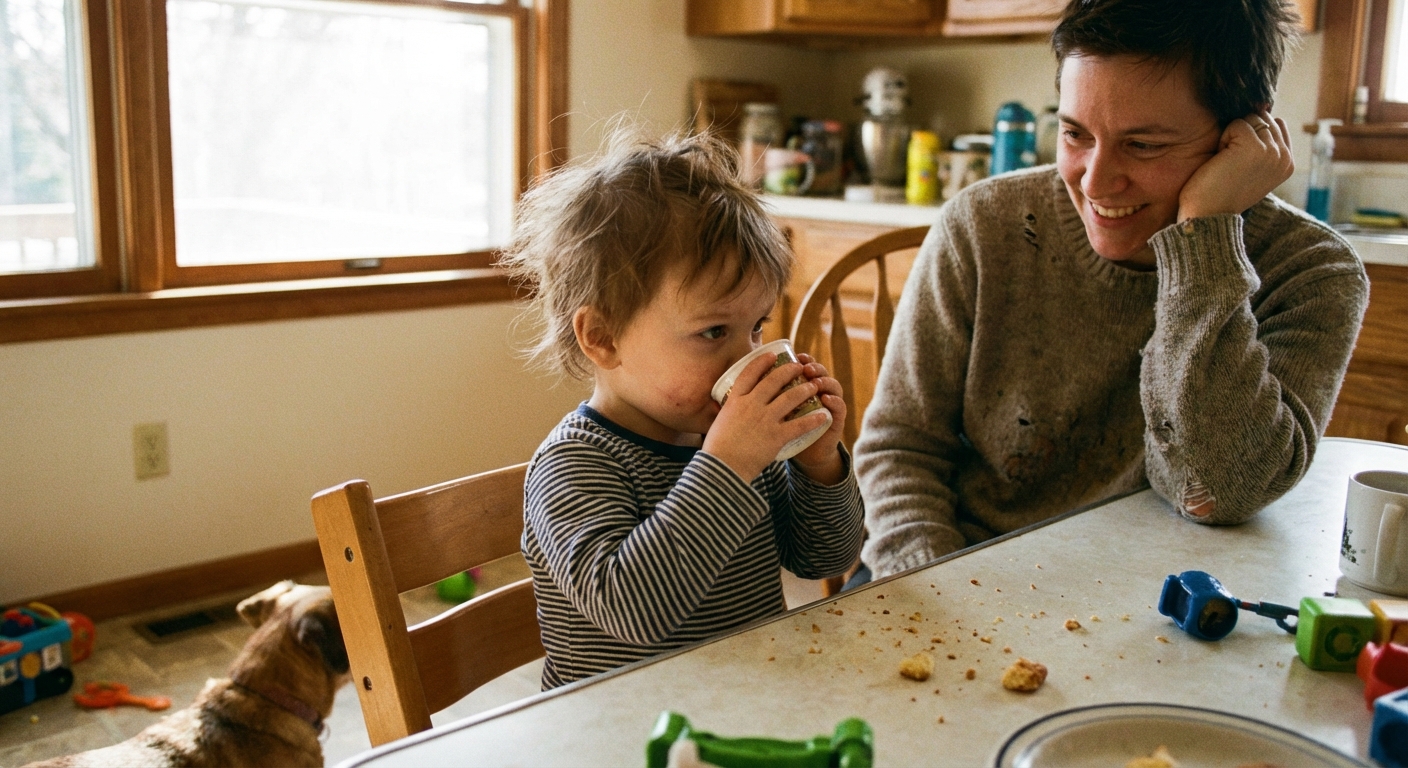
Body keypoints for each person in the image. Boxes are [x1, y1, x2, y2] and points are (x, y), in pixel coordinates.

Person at [853, 0, 1370, 582]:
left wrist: (1202, 241)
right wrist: (941, 591)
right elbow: (900, 448)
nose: (1096, 181)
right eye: (1075, 134)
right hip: (948, 568)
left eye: (1144, 145)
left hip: (1149, 602)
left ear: (1245, 137)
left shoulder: (1312, 271)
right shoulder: (984, 223)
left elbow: (1216, 493)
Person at [502, 129, 865, 688]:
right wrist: (726, 467)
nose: (748, 358)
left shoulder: (729, 437)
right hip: (615, 736)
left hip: (740, 707)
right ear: (603, 337)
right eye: (713, 330)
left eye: (757, 327)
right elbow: (632, 612)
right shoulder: (573, 467)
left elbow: (824, 559)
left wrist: (818, 464)